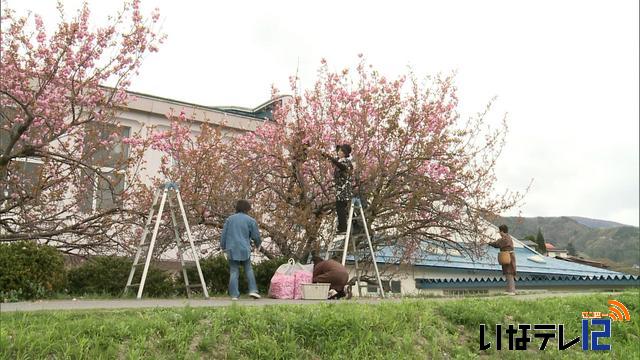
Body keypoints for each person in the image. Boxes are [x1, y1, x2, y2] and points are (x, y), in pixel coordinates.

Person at [220, 200, 262, 300]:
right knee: (248, 269)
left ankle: (234, 295)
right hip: (244, 249)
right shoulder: (251, 220)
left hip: (231, 249)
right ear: (247, 209)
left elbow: (224, 235)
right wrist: (258, 245)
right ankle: (253, 290)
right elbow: (255, 236)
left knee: (234, 271)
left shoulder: (229, 219)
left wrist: (223, 247)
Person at [322, 144, 354, 238]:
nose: (339, 152)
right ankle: (351, 225)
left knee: (340, 208)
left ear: (345, 153)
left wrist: (331, 159)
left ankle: (343, 228)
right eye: (339, 151)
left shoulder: (346, 162)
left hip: (344, 189)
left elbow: (342, 167)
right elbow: (335, 162)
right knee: (342, 208)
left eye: (341, 151)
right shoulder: (340, 161)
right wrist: (325, 155)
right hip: (340, 189)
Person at [488, 224, 517, 295]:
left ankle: (512, 290)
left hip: (508, 256)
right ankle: (509, 289)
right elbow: (498, 242)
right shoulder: (506, 237)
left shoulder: (505, 238)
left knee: (509, 273)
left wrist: (490, 243)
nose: (499, 234)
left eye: (500, 232)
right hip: (507, 256)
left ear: (502, 231)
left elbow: (497, 244)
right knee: (507, 273)